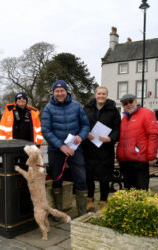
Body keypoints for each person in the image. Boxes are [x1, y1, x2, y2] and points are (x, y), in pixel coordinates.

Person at [41, 80, 90, 216]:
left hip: (75, 149)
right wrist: (61, 146)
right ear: (53, 93)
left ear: (66, 91)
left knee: (81, 178)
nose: (60, 93)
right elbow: (46, 131)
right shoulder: (48, 108)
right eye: (57, 91)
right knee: (56, 180)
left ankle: (82, 213)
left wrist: (81, 136)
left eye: (62, 90)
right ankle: (58, 213)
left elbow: (85, 125)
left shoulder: (76, 106)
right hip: (56, 150)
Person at [82, 86, 120, 212]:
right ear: (95, 94)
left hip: (105, 149)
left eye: (104, 94)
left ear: (107, 95)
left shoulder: (113, 110)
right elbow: (81, 124)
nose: (101, 96)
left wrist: (110, 138)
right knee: (89, 175)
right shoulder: (87, 108)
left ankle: (103, 202)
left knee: (105, 177)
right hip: (89, 147)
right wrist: (85, 133)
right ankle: (90, 199)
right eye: (99, 93)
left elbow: (118, 129)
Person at [117, 94, 158, 190]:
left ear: (136, 101)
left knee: (141, 190)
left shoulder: (147, 113)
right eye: (125, 103)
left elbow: (153, 135)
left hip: (139, 160)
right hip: (125, 160)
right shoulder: (124, 118)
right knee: (128, 189)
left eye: (130, 102)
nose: (128, 105)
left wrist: (151, 156)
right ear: (123, 106)